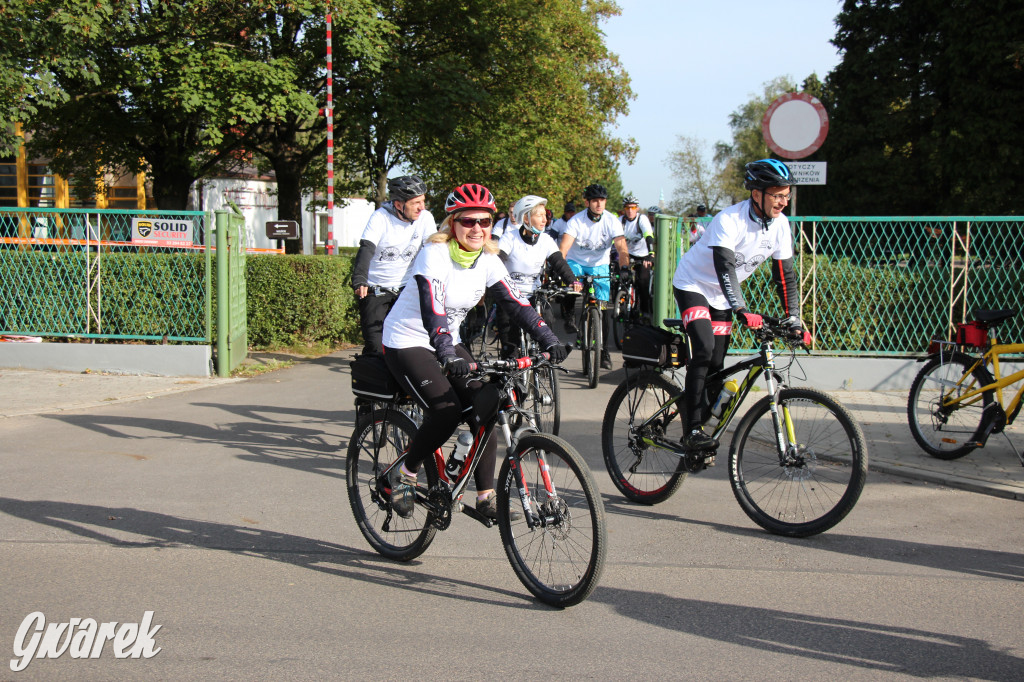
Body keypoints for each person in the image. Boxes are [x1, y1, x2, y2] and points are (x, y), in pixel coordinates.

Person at [381, 183, 568, 519]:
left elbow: (517, 304)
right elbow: (432, 309)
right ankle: (405, 473)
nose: (478, 228)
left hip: (446, 342)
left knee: (487, 404)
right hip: (408, 340)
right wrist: (445, 352)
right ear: (452, 223)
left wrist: (548, 339)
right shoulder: (434, 254)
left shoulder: (488, 259)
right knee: (446, 412)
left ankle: (485, 497)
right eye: (468, 221)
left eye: (485, 221)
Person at [671, 159, 811, 452]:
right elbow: (725, 267)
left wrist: (794, 318)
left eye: (787, 195)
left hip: (722, 295)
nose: (783, 202)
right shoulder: (729, 220)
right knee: (705, 348)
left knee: (718, 364)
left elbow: (785, 276)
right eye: (777, 195)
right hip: (693, 284)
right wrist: (742, 309)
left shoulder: (781, 226)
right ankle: (692, 430)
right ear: (757, 193)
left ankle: (706, 420)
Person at [350, 175, 436, 356]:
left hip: (406, 288)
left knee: (412, 343)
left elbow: (433, 250)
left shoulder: (425, 218)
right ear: (398, 204)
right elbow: (367, 248)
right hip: (377, 289)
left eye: (423, 201)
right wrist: (359, 279)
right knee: (376, 347)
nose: (422, 207)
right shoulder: (380, 218)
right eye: (416, 203)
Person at [496, 194, 581, 357]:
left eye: (545, 215)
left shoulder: (546, 240)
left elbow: (559, 262)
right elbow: (497, 261)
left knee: (548, 318)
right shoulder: (509, 239)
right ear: (526, 218)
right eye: (539, 215)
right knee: (510, 344)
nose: (544, 219)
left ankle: (544, 358)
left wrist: (572, 280)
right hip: (510, 296)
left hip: (534, 295)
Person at [559, 183, 631, 370]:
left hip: (600, 265)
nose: (599, 204)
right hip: (577, 262)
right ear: (587, 202)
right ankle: (569, 317)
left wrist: (625, 267)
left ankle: (604, 350)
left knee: (604, 308)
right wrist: (560, 268)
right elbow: (564, 248)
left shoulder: (611, 220)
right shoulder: (576, 221)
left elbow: (622, 247)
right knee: (571, 286)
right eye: (595, 201)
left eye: (602, 200)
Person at [619, 194, 655, 320]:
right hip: (627, 255)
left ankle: (645, 311)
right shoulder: (620, 221)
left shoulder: (642, 219)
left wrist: (651, 254)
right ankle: (622, 305)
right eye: (627, 208)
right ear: (624, 209)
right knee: (621, 279)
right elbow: (614, 241)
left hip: (642, 255)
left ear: (637, 208)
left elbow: (648, 236)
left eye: (633, 208)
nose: (630, 210)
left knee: (643, 282)